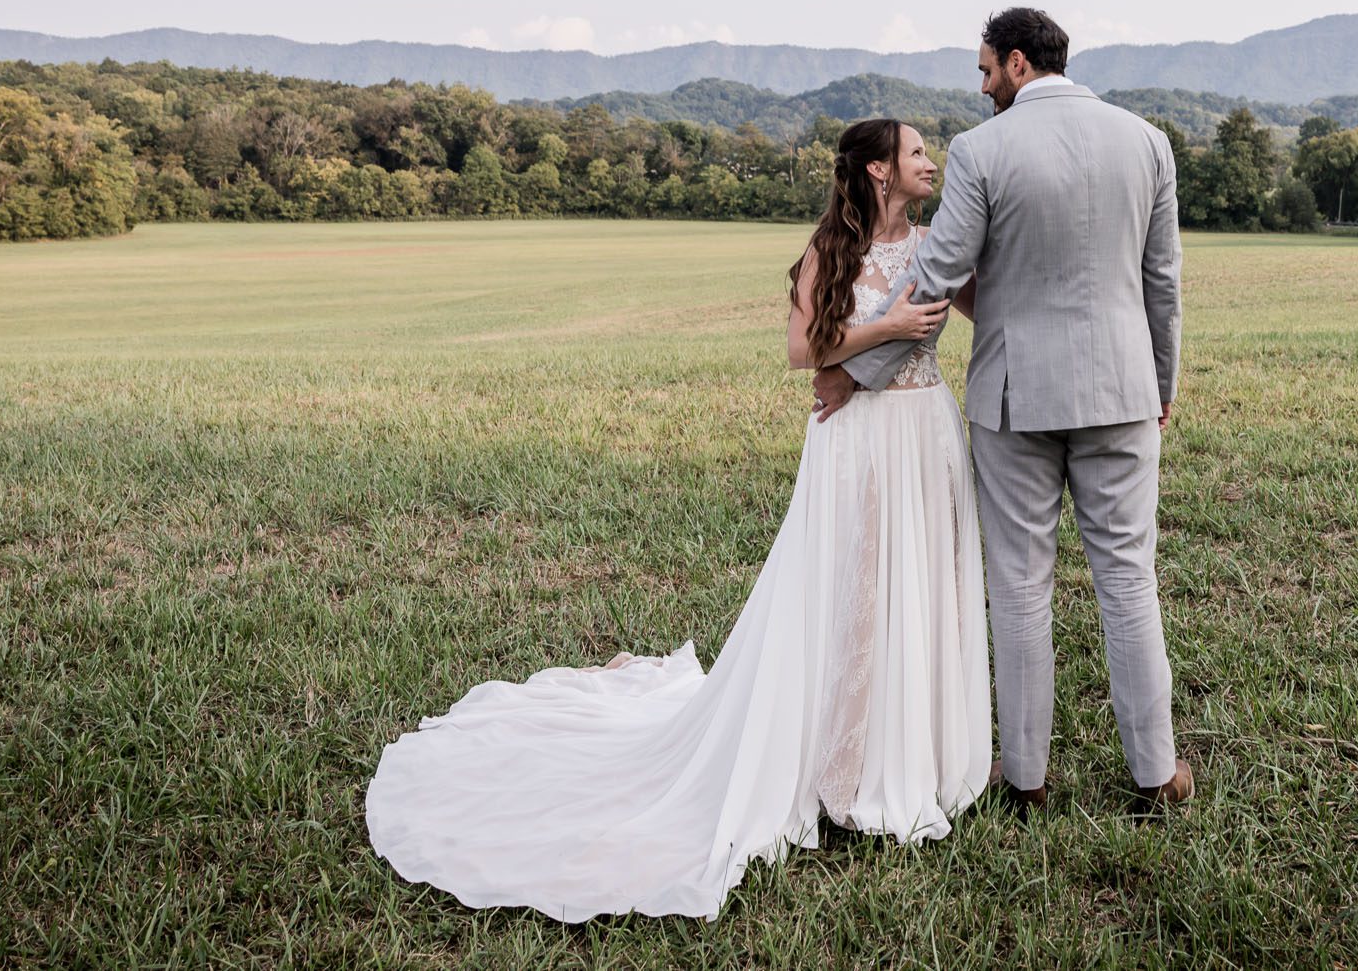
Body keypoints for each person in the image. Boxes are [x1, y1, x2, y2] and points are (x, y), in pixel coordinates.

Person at [363, 119, 988, 921]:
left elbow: (984, 307)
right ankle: (837, 758)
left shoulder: (936, 242)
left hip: (925, 430)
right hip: (857, 446)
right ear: (877, 169)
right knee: (847, 586)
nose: (929, 161)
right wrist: (886, 330)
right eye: (915, 153)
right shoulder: (829, 248)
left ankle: (909, 755)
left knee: (916, 588)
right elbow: (805, 351)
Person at [814, 6, 1190, 812]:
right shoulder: (1146, 141)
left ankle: (1025, 780)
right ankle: (1156, 776)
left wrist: (854, 371)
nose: (983, 86)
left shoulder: (985, 151)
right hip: (1123, 393)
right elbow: (1163, 278)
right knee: (1129, 579)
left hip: (1016, 399)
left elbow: (938, 274)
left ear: (1018, 63)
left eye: (986, 70)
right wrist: (1160, 381)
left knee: (1020, 585)